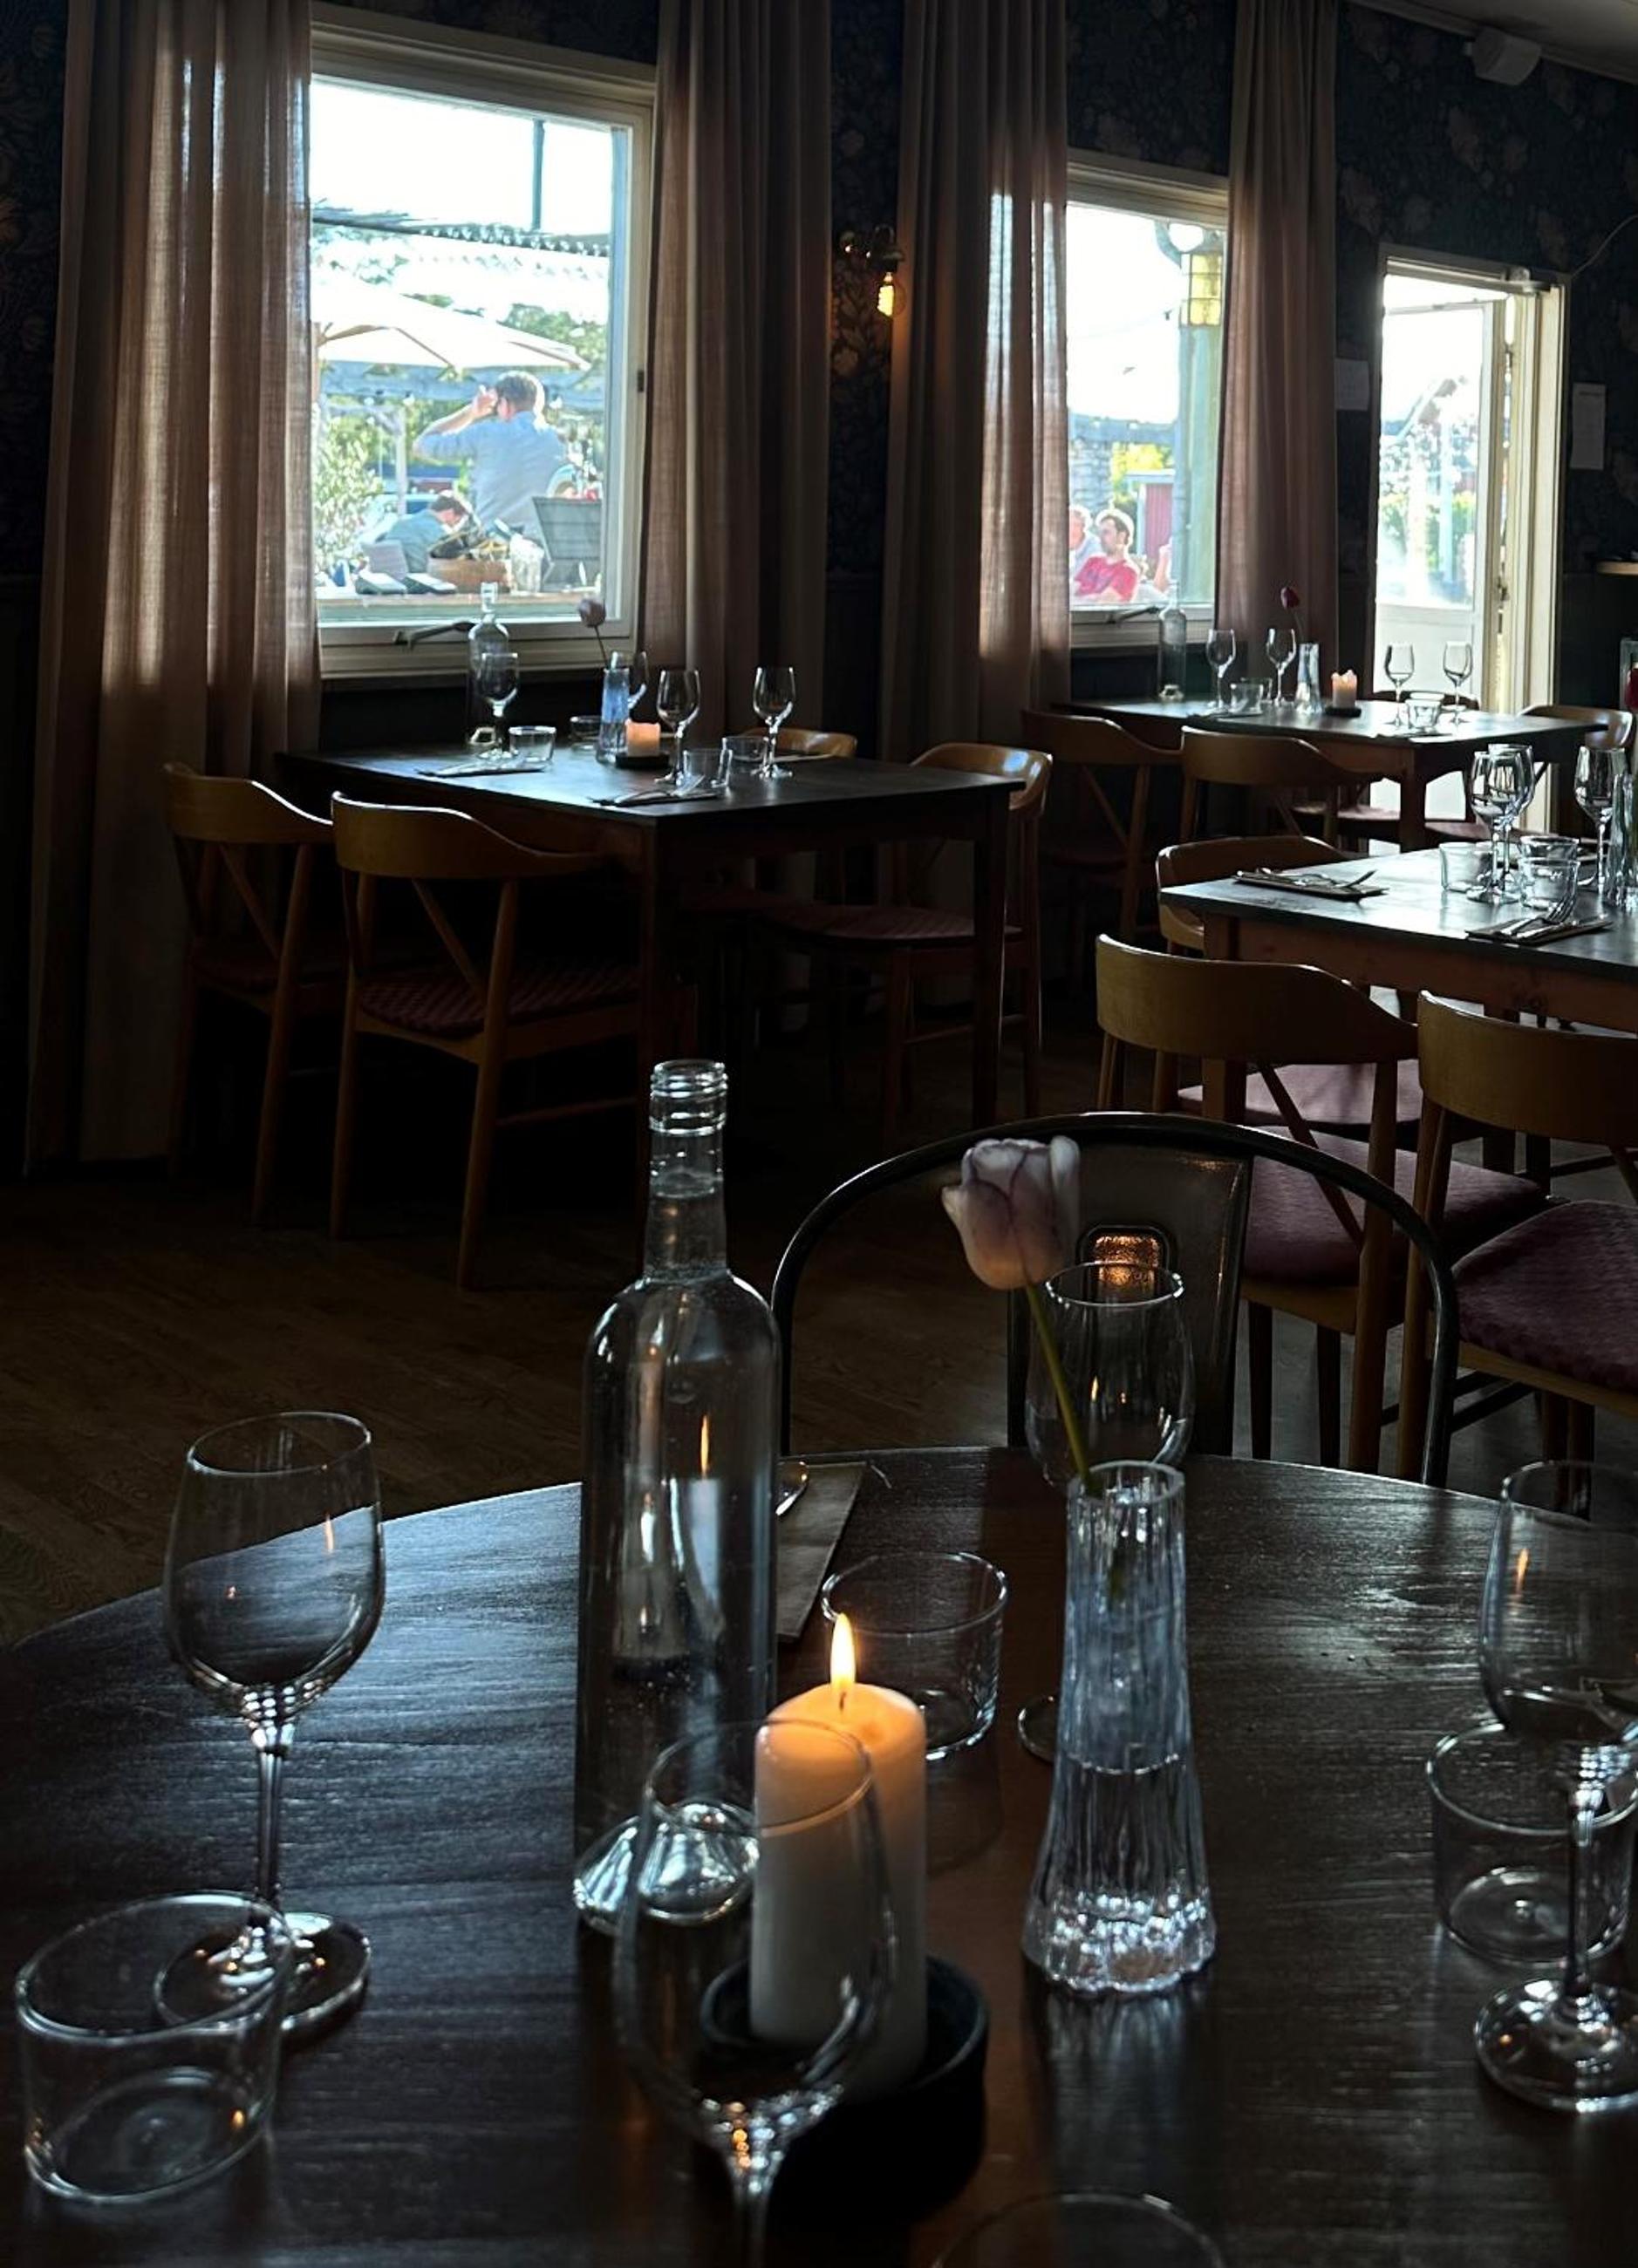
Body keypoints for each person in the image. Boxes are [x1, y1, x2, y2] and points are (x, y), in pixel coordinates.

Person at [419, 371, 569, 531]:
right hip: (544, 539)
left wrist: (470, 413)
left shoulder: (485, 433)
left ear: (504, 403)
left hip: (492, 540)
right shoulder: (562, 441)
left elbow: (423, 445)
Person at [370, 491, 470, 576]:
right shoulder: (439, 532)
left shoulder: (399, 524)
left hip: (390, 581)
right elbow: (454, 563)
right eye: (457, 521)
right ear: (450, 513)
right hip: (420, 582)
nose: (455, 526)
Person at [1074, 506, 1141, 605]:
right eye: (1099, 533)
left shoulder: (1129, 571)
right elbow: (1070, 592)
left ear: (1122, 536)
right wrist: (1092, 598)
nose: (1100, 537)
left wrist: (1080, 599)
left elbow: (1103, 604)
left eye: (1106, 532)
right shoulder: (1094, 560)